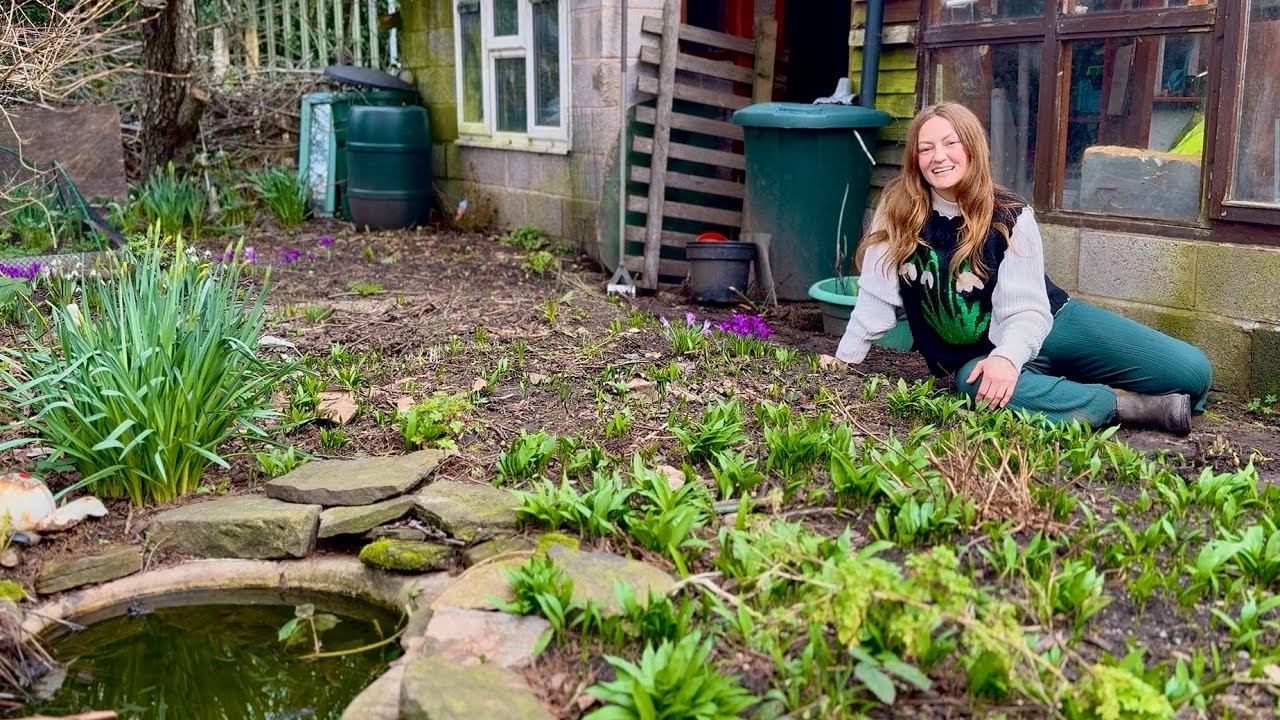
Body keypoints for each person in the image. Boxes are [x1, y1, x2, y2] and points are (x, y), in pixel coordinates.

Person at [835, 102, 1212, 435]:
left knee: (1192, 373)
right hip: (980, 356)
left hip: (1051, 324)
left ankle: (1055, 385)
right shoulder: (898, 211)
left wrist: (1008, 357)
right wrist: (844, 360)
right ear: (915, 159)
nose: (939, 156)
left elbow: (1027, 311)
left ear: (972, 148)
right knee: (973, 384)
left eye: (951, 143)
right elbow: (876, 296)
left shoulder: (1009, 214)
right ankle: (1125, 405)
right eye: (926, 148)